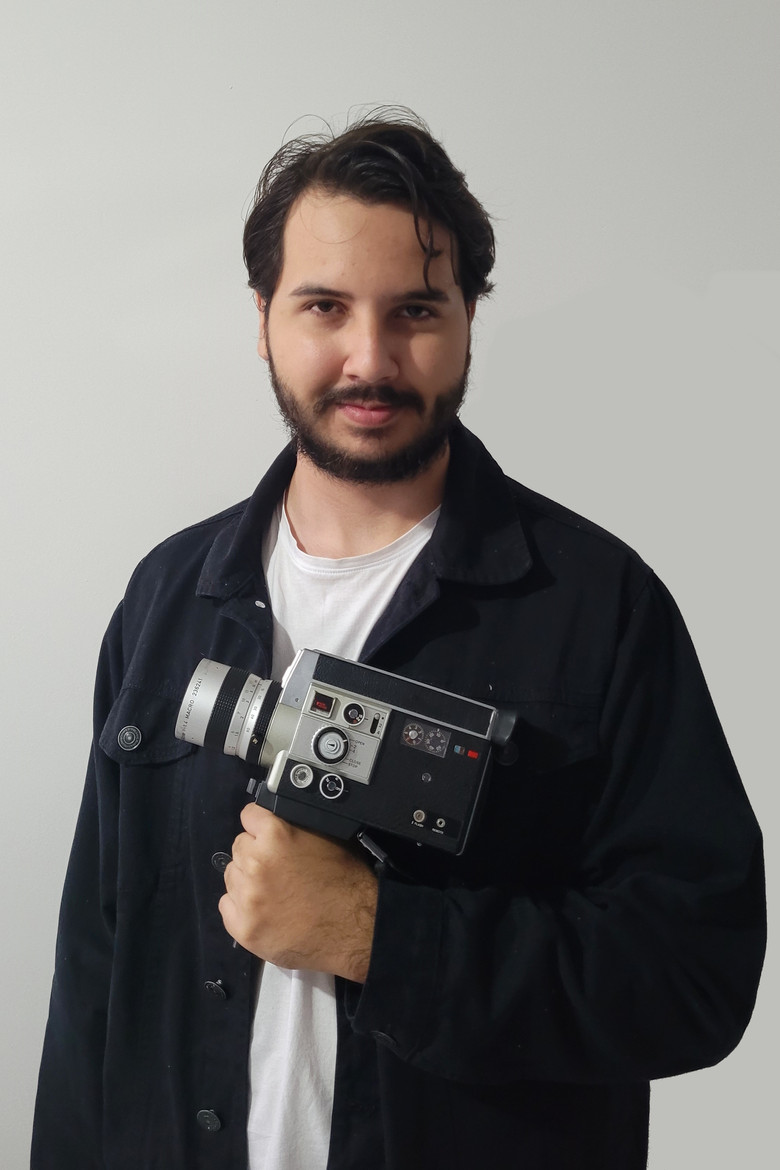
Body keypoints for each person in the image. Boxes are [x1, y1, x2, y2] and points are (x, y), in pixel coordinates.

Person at [32, 112, 765, 1170]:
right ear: (263, 319)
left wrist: (378, 936)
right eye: (324, 307)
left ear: (468, 321)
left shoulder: (599, 607)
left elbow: (696, 977)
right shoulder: (167, 596)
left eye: (416, 310)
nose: (369, 359)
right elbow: (94, 985)